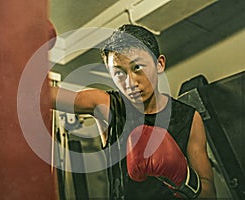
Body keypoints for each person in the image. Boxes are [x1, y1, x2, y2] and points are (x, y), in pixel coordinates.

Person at [50, 24, 216, 199]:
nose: (130, 83)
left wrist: (182, 178)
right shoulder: (107, 106)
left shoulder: (189, 118)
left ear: (159, 64)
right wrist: (25, 46)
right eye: (119, 73)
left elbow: (210, 194)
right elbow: (42, 97)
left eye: (137, 67)